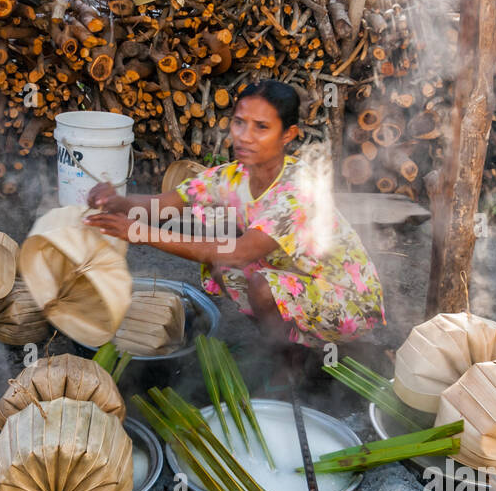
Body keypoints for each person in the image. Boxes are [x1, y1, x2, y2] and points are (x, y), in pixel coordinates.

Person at [84, 80, 385, 348]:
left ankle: (288, 362)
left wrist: (139, 232)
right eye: (240, 123)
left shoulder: (298, 189)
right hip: (296, 277)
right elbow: (163, 204)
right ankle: (283, 340)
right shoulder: (232, 176)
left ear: (288, 135)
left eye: (261, 127)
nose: (245, 136)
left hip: (347, 299)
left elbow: (240, 252)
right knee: (221, 270)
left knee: (258, 283)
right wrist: (117, 202)